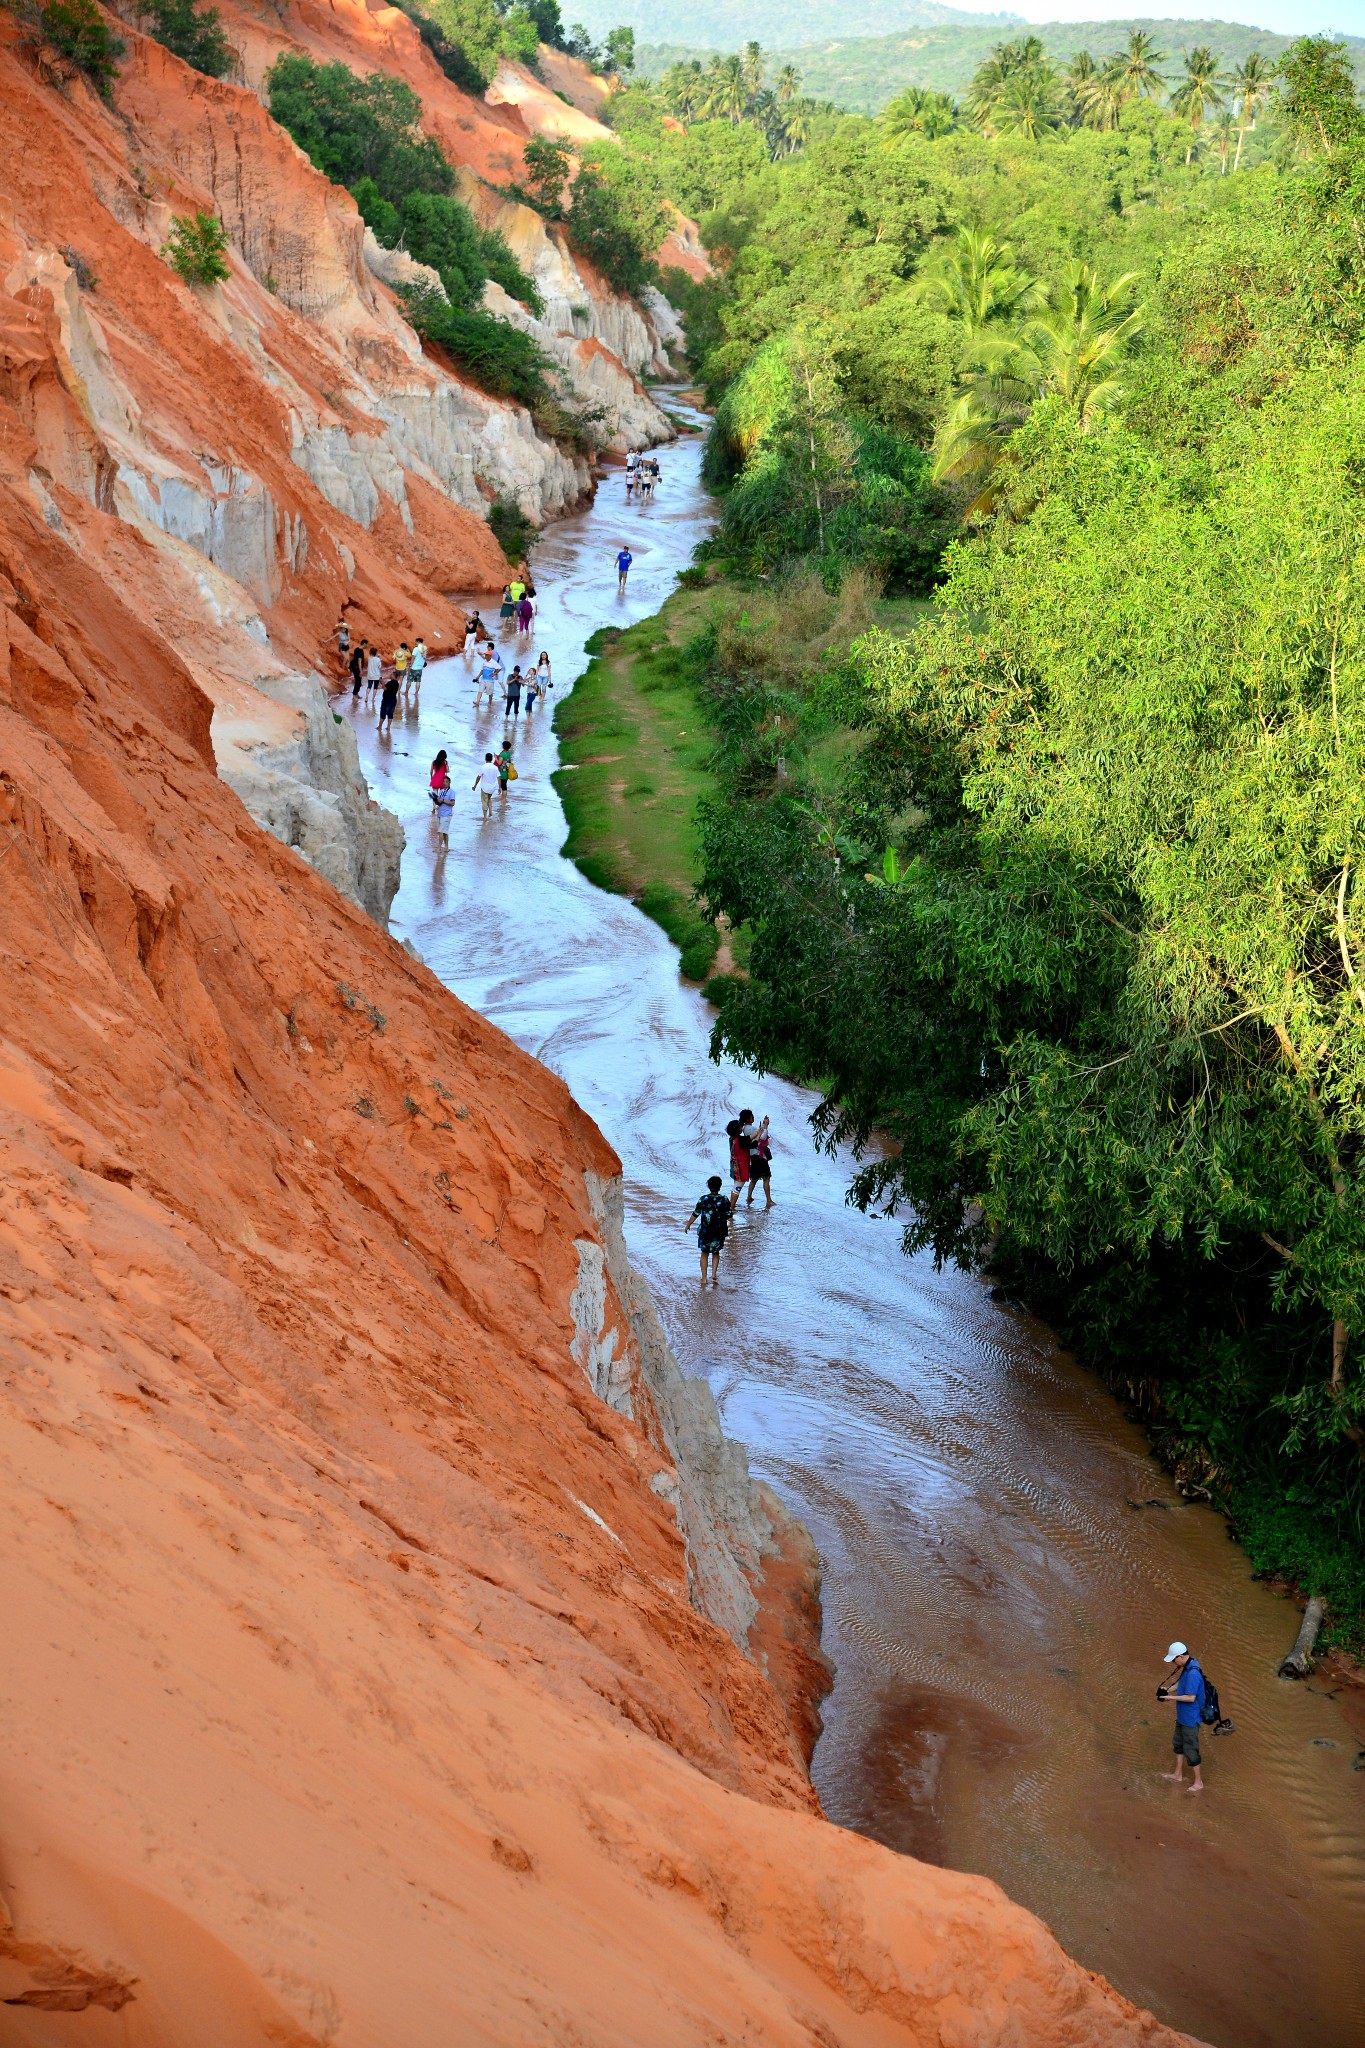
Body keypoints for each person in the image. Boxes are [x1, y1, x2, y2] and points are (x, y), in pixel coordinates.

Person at [1158, 1641, 1207, 1794]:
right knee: (1178, 1744)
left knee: (1191, 1749)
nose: (1173, 1662)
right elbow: (1181, 1683)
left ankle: (1198, 1782)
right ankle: (1177, 1774)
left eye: (1174, 1660)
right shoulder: (1188, 1665)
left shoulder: (1193, 1673)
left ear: (1180, 1656)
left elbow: (1191, 1697)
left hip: (1191, 1718)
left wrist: (1170, 1698)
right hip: (1182, 1717)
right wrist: (1168, 1689)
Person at [685, 1175, 732, 1287]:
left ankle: (704, 1279)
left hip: (706, 1231)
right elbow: (729, 1214)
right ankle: (714, 1274)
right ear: (720, 1187)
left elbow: (696, 1213)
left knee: (704, 1253)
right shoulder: (724, 1199)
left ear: (709, 1186)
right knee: (716, 1252)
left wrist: (688, 1224)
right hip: (719, 1231)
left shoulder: (703, 1199)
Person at [740, 1110, 773, 1208]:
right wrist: (766, 1126)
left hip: (752, 1156)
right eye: (752, 1116)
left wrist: (763, 1125)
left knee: (754, 1178)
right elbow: (762, 1137)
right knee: (766, 1178)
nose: (753, 1117)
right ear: (748, 1119)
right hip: (759, 1156)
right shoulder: (751, 1128)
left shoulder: (745, 1128)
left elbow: (759, 1133)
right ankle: (769, 1200)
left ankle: (749, 1197)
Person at [726, 1117, 751, 1203]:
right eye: (740, 1126)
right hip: (741, 1167)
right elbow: (750, 1139)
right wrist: (759, 1132)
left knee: (736, 1185)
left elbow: (748, 1138)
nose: (742, 1128)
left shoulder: (732, 1139)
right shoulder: (740, 1140)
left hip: (734, 1165)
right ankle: (731, 1207)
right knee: (737, 1187)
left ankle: (732, 1205)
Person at [473, 751, 499, 819]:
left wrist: (475, 785)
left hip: (485, 788)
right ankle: (490, 812)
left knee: (484, 801)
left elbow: (478, 777)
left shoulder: (483, 767)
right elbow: (499, 777)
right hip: (492, 788)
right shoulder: (495, 768)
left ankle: (485, 817)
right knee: (489, 799)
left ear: (485, 759)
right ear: (492, 759)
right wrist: (500, 787)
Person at [433, 778, 456, 850]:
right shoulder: (441, 791)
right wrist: (437, 803)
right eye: (443, 781)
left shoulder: (452, 792)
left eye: (446, 781)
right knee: (445, 832)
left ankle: (439, 848)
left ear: (449, 783)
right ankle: (446, 847)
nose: (445, 783)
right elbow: (439, 801)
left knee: (440, 831)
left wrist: (443, 800)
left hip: (447, 814)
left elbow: (452, 803)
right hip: (440, 813)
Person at [377, 666, 400, 734]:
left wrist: (382, 682)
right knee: (390, 714)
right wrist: (383, 683)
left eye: (391, 674)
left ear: (393, 676)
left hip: (387, 700)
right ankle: (388, 727)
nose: (390, 675)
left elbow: (385, 688)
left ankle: (380, 726)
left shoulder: (391, 683)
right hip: (393, 700)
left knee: (383, 713)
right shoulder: (397, 683)